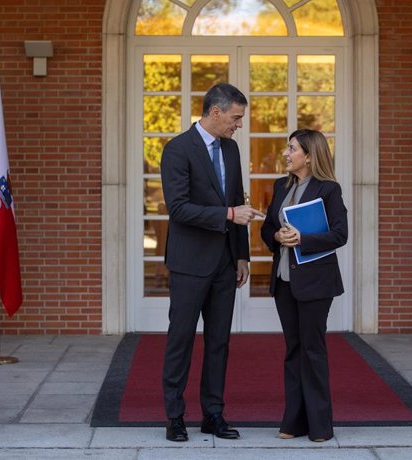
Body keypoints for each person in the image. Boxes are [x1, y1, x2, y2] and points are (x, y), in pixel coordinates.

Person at [160, 83, 264, 442]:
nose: (238, 125)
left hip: (224, 264)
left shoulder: (232, 150)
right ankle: (175, 417)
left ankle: (213, 416)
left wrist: (241, 255)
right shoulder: (177, 149)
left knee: (219, 342)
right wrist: (228, 214)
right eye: (236, 118)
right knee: (181, 340)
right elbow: (179, 208)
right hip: (189, 263)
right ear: (215, 112)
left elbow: (236, 199)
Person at [260, 129, 348, 442]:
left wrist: (303, 239)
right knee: (293, 350)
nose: (286, 153)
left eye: (292, 148)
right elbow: (268, 227)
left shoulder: (329, 190)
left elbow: (340, 234)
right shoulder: (281, 186)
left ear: (309, 156)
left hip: (315, 283)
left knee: (312, 351)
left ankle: (321, 426)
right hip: (284, 282)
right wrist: (276, 236)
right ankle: (294, 423)